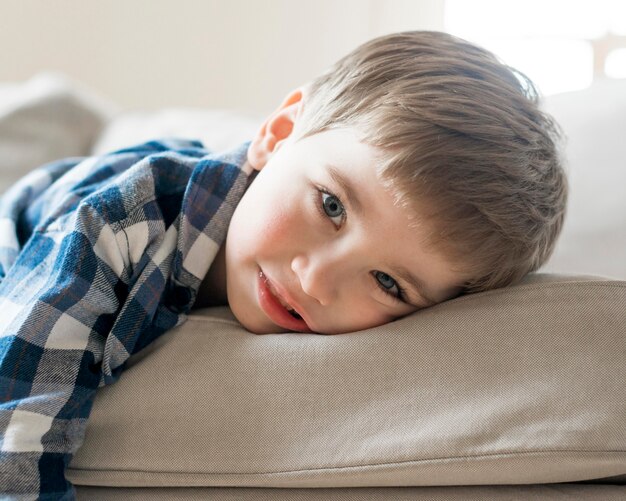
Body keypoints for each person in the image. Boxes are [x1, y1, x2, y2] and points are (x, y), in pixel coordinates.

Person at [0, 31, 567, 498]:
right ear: (278, 135)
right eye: (331, 206)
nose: (318, 280)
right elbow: (16, 414)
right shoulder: (120, 224)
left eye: (388, 282)